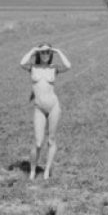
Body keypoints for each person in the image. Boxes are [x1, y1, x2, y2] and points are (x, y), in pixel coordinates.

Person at [19, 42, 71, 180]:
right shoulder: (33, 67)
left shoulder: (54, 68)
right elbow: (22, 63)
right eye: (43, 52)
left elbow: (68, 66)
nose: (45, 54)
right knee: (38, 142)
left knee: (51, 140)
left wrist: (58, 51)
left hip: (54, 106)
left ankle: (47, 170)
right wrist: (33, 49)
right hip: (39, 108)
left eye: (48, 52)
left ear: (51, 54)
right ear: (39, 54)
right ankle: (32, 170)